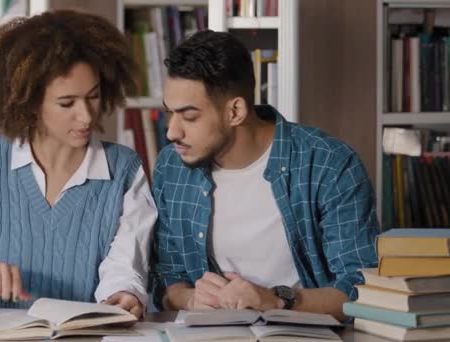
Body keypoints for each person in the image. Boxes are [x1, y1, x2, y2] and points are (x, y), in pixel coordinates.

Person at [0, 10, 156, 318]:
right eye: (67, 103)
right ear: (29, 103)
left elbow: (125, 266)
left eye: (93, 97)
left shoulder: (124, 169)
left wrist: (123, 294)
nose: (86, 116)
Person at [151, 30, 379, 321]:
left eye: (189, 116)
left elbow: (360, 286)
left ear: (235, 111)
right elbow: (166, 277)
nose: (172, 132)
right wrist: (191, 298)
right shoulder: (171, 167)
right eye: (170, 113)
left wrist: (275, 299)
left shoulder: (329, 163)